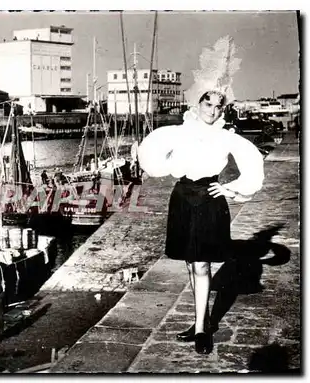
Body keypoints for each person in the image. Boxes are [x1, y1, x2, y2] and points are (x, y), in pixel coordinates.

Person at [138, 36, 264, 355]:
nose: (211, 110)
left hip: (209, 198)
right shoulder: (181, 131)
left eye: (217, 105)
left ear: (222, 108)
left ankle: (200, 329)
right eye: (207, 103)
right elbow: (154, 153)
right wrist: (157, 163)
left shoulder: (225, 136)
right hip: (182, 197)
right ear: (198, 103)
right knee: (190, 263)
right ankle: (201, 319)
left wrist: (230, 188)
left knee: (203, 266)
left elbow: (252, 161)